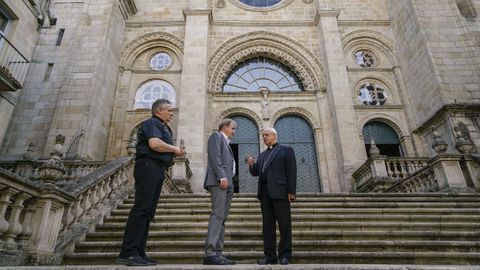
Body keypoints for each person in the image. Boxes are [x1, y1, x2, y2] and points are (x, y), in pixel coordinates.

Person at [117, 99, 185, 266]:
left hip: (157, 169)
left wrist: (173, 152)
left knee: (148, 212)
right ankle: (129, 252)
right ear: (158, 111)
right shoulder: (152, 123)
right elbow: (154, 144)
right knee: (141, 209)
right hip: (148, 167)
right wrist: (174, 149)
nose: (171, 113)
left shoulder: (161, 125)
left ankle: (139, 251)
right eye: (169, 110)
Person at [247, 127, 296, 265]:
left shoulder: (286, 150)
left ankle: (284, 255)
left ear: (274, 135)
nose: (264, 138)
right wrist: (251, 165)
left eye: (266, 135)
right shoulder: (262, 155)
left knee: (284, 225)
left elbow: (291, 171)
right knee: (267, 227)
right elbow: (256, 172)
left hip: (281, 192)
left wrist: (291, 191)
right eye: (263, 136)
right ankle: (270, 256)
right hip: (265, 193)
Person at [203, 118, 237, 265]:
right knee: (217, 215)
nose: (234, 132)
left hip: (228, 183)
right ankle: (210, 253)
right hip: (220, 181)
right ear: (224, 128)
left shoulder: (226, 142)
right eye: (233, 128)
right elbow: (214, 157)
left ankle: (218, 252)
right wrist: (222, 176)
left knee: (222, 218)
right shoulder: (216, 137)